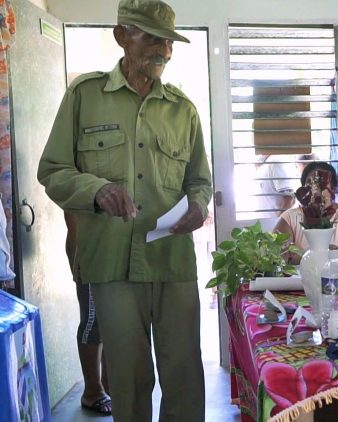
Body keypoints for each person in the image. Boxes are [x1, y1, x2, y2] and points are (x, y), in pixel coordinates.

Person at [37, 1, 212, 420]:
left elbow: (199, 181)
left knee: (184, 373)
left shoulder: (182, 109)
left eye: (168, 41)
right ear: (121, 35)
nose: (163, 50)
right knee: (128, 377)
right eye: (151, 37)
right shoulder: (85, 96)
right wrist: (96, 190)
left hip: (172, 262)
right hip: (111, 263)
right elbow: (52, 170)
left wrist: (200, 206)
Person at [273, 161, 338, 263]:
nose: (314, 188)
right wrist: (319, 254)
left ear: (333, 188)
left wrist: (333, 254)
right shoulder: (291, 217)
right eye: (310, 183)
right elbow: (277, 253)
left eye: (320, 183)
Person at [64, 213, 111, 415]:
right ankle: (92, 391)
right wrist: (82, 255)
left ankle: (109, 385)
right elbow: (71, 209)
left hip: (112, 247)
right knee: (93, 321)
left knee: (113, 320)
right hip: (89, 248)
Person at [254, 154, 299, 219]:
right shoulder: (265, 163)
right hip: (265, 225)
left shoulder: (275, 162)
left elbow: (289, 199)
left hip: (274, 226)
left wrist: (278, 225)